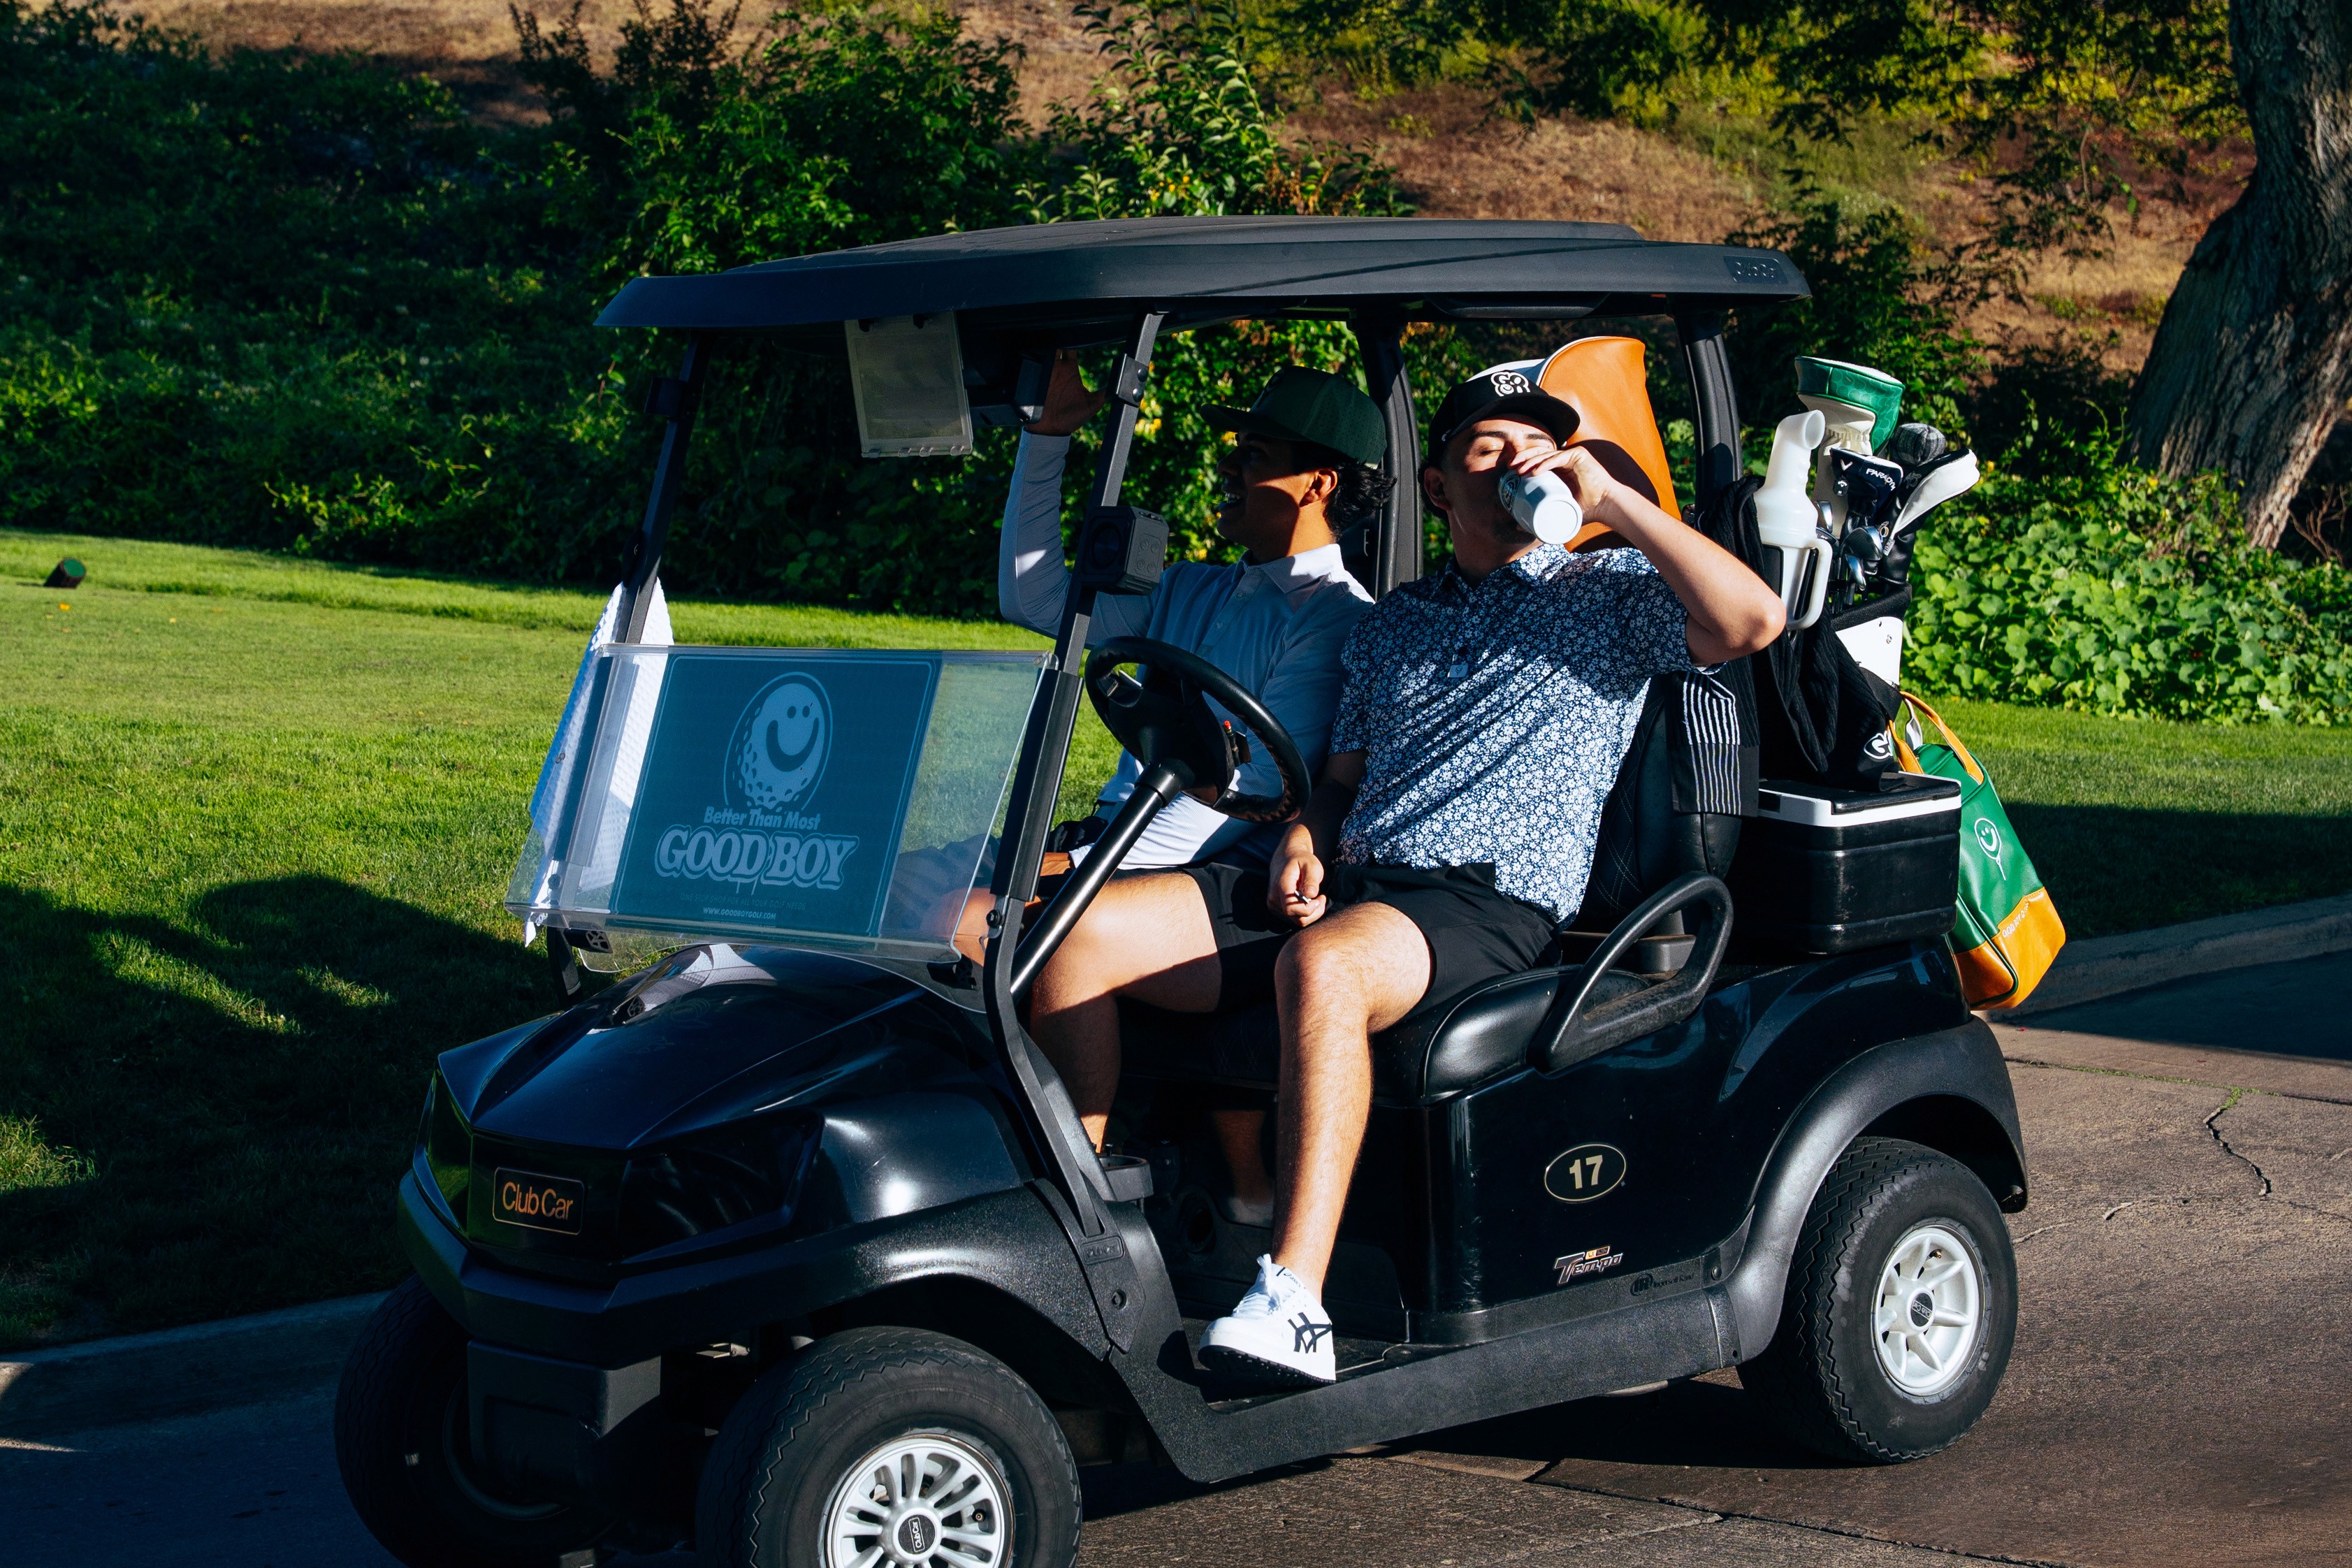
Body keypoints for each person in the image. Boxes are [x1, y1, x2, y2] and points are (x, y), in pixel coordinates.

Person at [1027, 366, 1786, 1385]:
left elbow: (1751, 623)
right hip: (1355, 883)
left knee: (1326, 968)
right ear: (1437, 487)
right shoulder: (1395, 621)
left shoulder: (1607, 595)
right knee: (1074, 933)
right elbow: (1340, 781)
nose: (1520, 463)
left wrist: (1612, 500)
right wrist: (1306, 834)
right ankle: (1091, 1243)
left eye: (1537, 447)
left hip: (1482, 901)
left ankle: (1294, 1301)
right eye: (1490, 448)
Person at [1001, 350, 1390, 1221]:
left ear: (1318, 483)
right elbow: (1038, 603)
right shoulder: (1191, 585)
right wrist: (1047, 442)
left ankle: (1081, 1198)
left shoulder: (1339, 621)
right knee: (921, 890)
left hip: (1230, 876)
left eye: (1254, 457)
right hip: (1123, 841)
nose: (1229, 472)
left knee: (1029, 926)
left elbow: (1244, 796)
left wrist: (1079, 870)